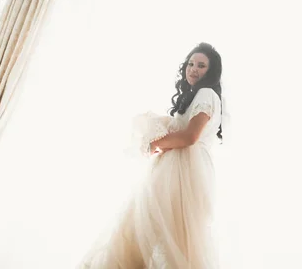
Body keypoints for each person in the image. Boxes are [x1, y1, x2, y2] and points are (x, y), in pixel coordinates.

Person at [80, 42, 223, 269]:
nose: (193, 69)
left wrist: (155, 144)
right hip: (178, 170)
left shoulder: (206, 94)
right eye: (190, 64)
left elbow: (190, 136)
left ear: (211, 71)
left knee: (164, 232)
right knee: (155, 230)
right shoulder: (195, 95)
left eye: (201, 65)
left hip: (186, 172)